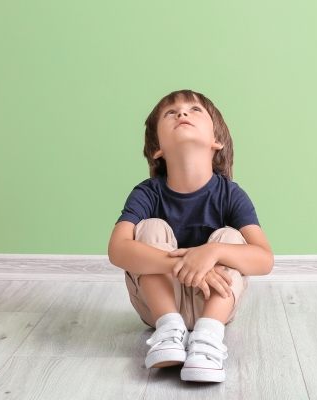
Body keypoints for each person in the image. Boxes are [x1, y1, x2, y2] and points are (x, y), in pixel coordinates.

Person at [107, 89, 274, 383]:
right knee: (149, 228)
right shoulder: (147, 193)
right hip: (156, 306)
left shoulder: (231, 195)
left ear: (216, 141)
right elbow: (117, 250)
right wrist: (180, 265)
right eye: (171, 113)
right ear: (157, 148)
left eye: (194, 110)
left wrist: (213, 253)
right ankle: (170, 331)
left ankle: (208, 339)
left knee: (230, 237)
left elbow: (264, 259)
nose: (182, 114)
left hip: (213, 302)